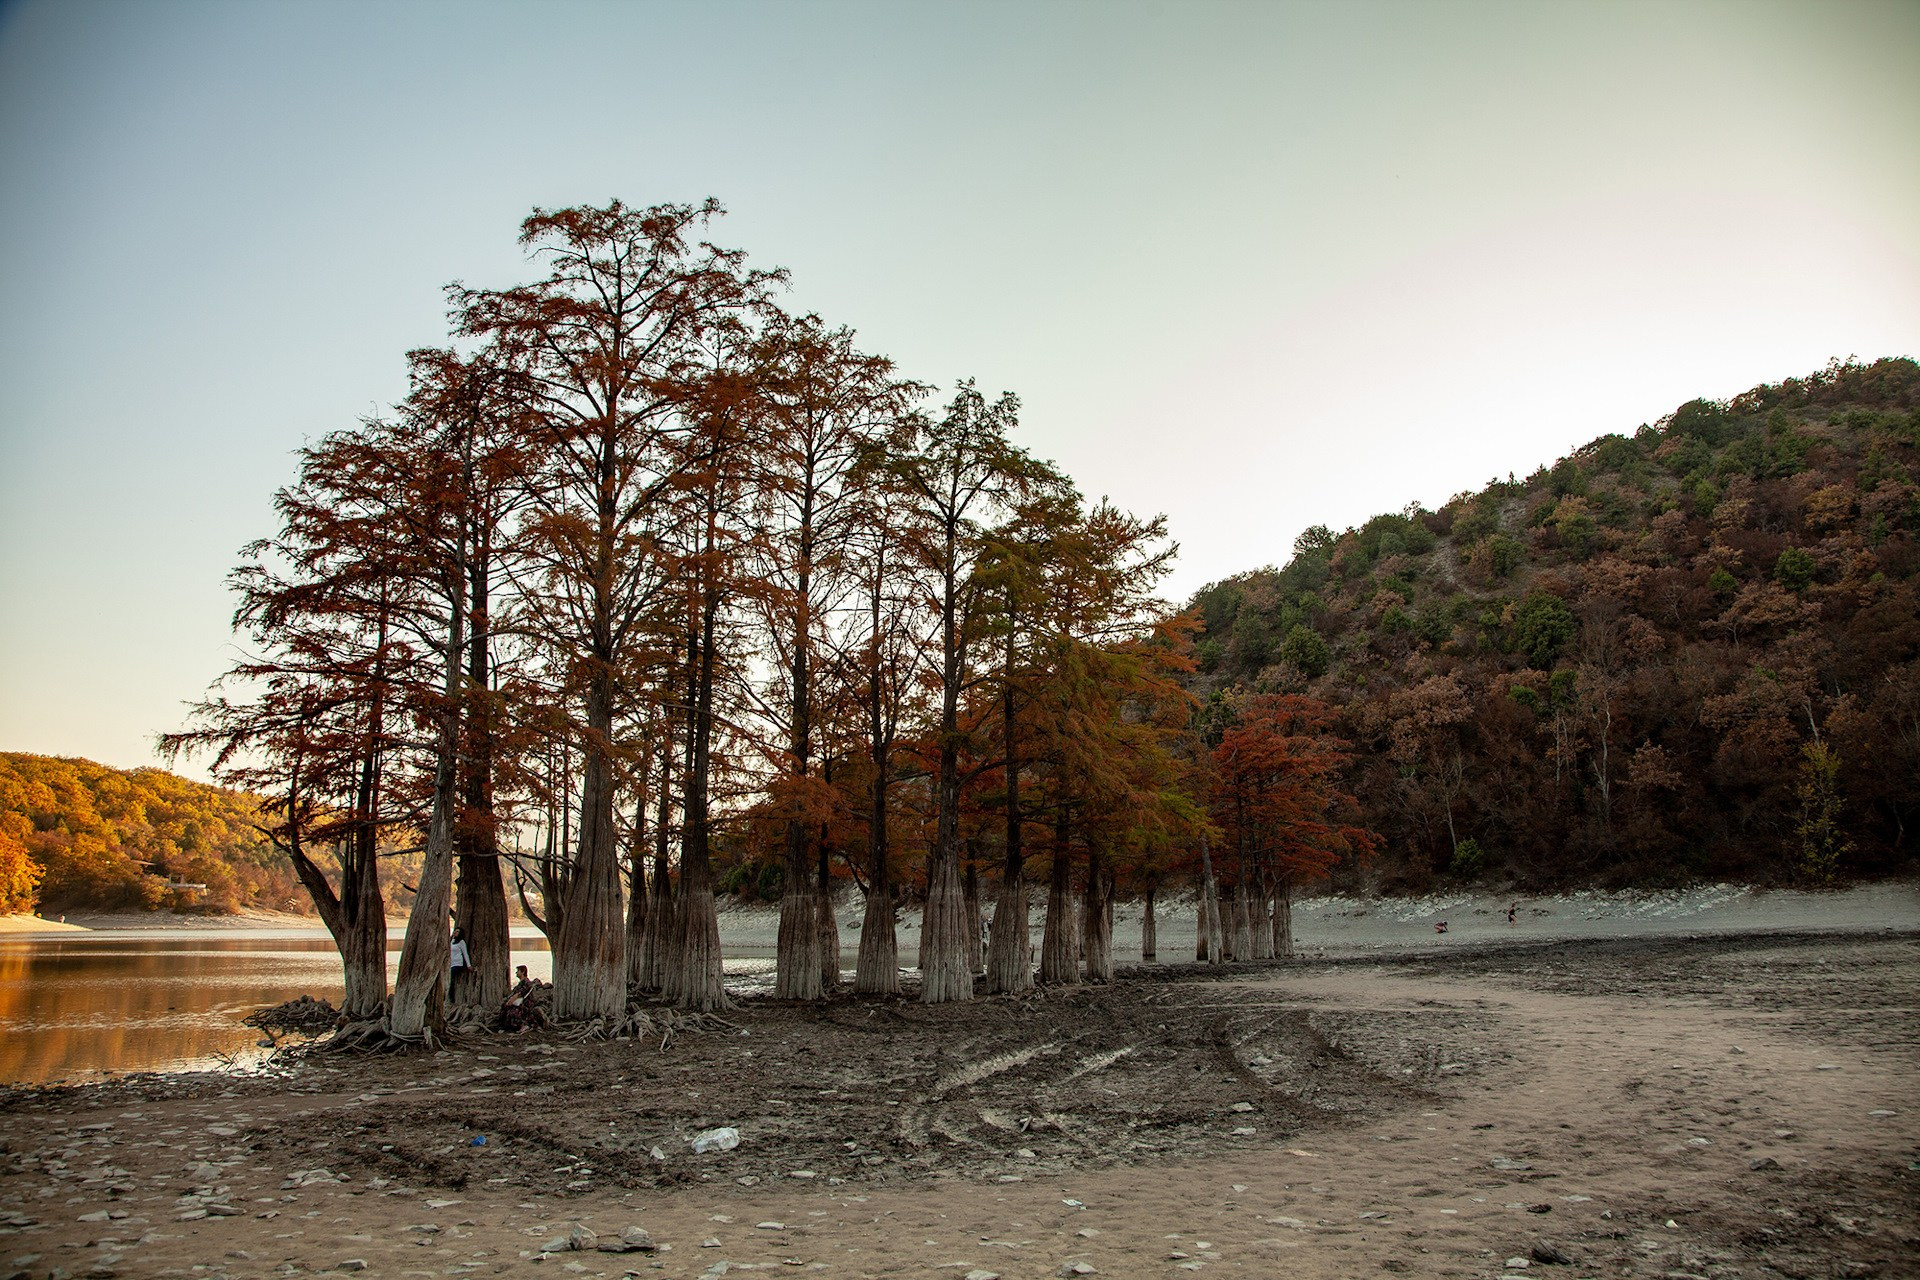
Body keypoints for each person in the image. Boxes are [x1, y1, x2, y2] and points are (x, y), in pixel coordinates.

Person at [502, 963, 546, 1031]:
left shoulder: (526, 983)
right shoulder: (520, 983)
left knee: (513, 1011)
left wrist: (510, 1001)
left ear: (523, 972)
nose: (516, 972)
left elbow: (520, 994)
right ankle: (506, 1027)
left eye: (518, 971)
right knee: (504, 1007)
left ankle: (522, 1025)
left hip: (525, 1003)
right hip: (518, 1001)